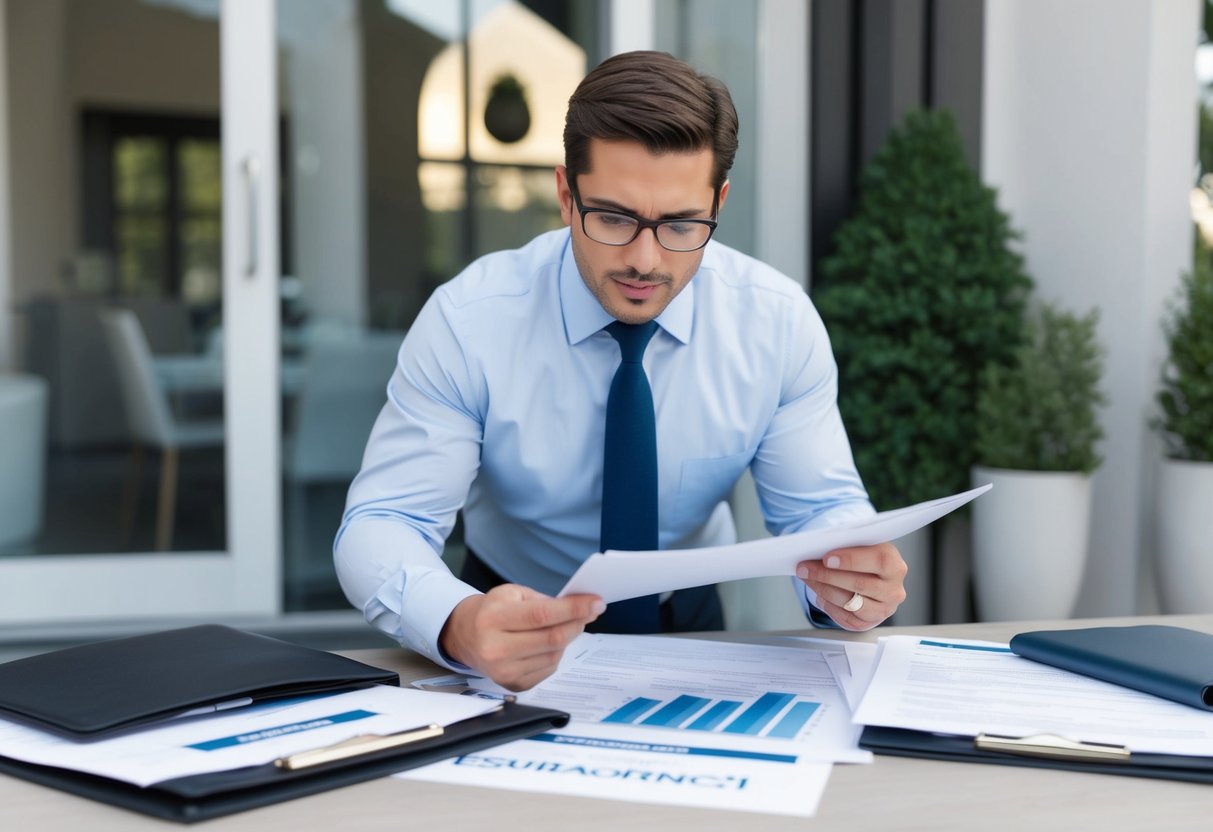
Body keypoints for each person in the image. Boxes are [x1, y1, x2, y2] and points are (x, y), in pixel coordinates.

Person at [335, 50, 907, 691]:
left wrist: (850, 580)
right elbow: (385, 523)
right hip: (505, 612)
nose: (645, 260)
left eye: (683, 224)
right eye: (613, 217)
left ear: (718, 202)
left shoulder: (775, 324)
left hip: (692, 622)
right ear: (564, 194)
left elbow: (821, 510)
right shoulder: (469, 322)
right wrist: (457, 622)